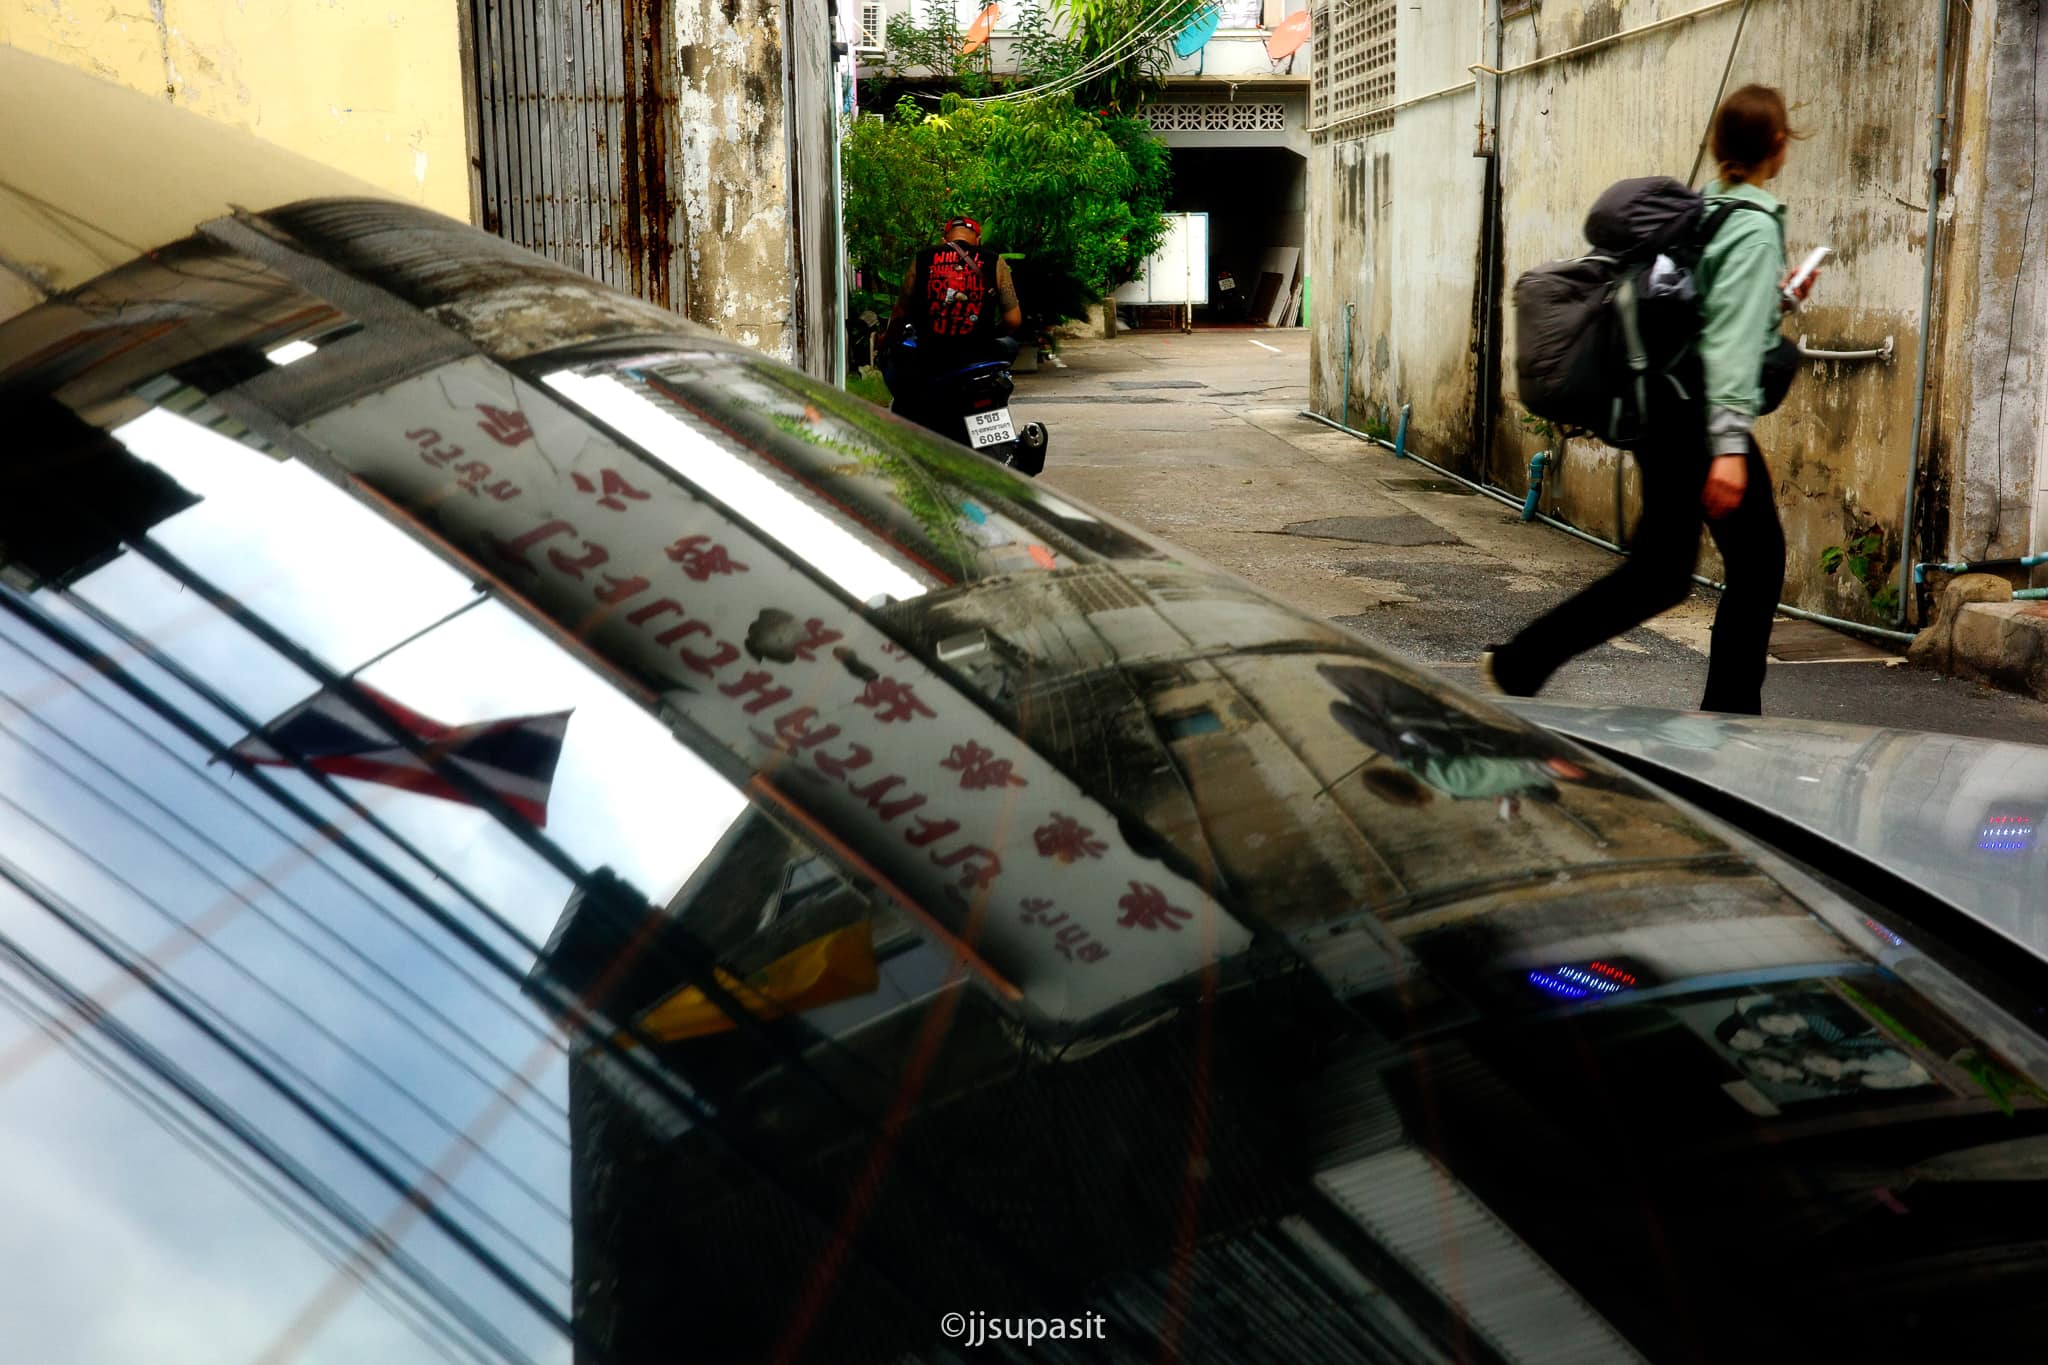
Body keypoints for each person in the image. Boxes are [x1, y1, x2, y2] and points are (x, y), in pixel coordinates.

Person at [1483, 85, 1800, 715]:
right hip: (1702, 420)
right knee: (1757, 565)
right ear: (1778, 145)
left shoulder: (1704, 210)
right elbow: (1730, 342)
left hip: (1662, 413)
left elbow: (1701, 311)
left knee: (1659, 574)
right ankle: (1730, 719)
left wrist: (1778, 299)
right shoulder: (1753, 226)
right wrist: (1729, 449)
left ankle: (1521, 662)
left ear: (1718, 146)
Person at [883, 215, 1023, 423]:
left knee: (907, 391)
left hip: (932, 356)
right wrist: (988, 333)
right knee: (1009, 345)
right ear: (978, 240)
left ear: (944, 240)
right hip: (979, 354)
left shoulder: (922, 259)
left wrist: (887, 339)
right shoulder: (995, 261)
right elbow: (1013, 320)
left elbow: (901, 311)